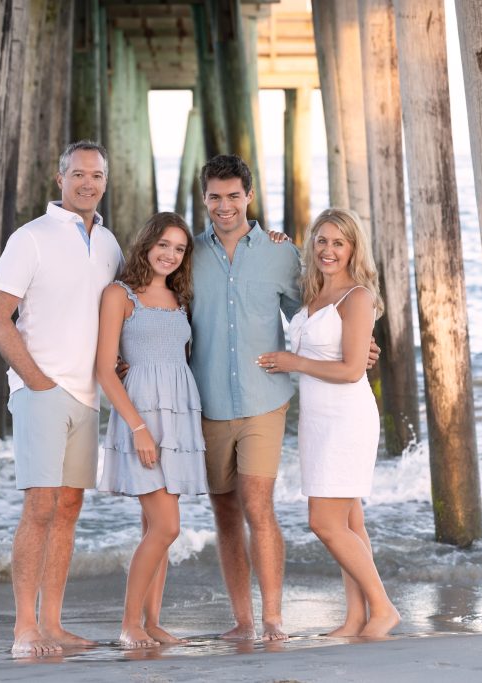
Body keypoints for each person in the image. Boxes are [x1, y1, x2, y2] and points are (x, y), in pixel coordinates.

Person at [0, 140, 123, 656]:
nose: (88, 182)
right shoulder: (31, 238)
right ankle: (25, 628)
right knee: (39, 507)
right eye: (79, 174)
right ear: (59, 178)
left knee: (68, 508)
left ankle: (55, 623)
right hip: (42, 390)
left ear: (105, 181)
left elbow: (125, 311)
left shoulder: (109, 244)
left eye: (97, 175)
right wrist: (35, 380)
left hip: (88, 396)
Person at [257, 208, 400, 639]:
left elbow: (354, 369)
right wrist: (277, 244)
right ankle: (357, 618)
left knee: (324, 521)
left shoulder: (357, 297)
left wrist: (292, 362)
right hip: (318, 418)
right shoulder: (311, 292)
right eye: (321, 240)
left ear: (353, 248)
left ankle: (383, 607)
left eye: (339, 242)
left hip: (346, 417)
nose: (328, 250)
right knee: (351, 522)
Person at [188, 154, 303, 641]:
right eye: (215, 196)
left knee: (258, 505)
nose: (224, 205)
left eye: (234, 195)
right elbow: (157, 310)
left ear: (249, 196)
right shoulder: (187, 256)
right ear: (204, 198)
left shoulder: (281, 253)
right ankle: (243, 620)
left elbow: (310, 318)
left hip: (264, 399)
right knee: (226, 512)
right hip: (208, 401)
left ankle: (273, 617)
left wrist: (362, 343)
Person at [96, 212, 209, 649]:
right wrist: (139, 428)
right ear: (146, 243)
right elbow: (106, 371)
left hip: (178, 416)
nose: (170, 254)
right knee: (166, 527)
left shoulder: (181, 299)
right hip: (140, 417)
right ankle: (129, 624)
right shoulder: (119, 295)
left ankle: (152, 622)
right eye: (164, 244)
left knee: (154, 528)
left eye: (179, 249)